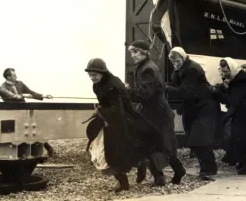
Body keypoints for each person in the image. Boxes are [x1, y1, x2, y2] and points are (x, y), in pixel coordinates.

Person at [84, 58, 166, 192]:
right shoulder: (97, 85)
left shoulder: (113, 85)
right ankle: (125, 181)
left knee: (118, 151)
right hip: (111, 119)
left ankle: (145, 171)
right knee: (109, 152)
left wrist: (100, 110)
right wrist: (101, 110)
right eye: (90, 75)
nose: (92, 77)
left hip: (123, 119)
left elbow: (117, 108)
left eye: (95, 74)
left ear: (103, 73)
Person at [126, 40, 186, 187]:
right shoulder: (143, 67)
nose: (132, 55)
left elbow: (143, 94)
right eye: (131, 52)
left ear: (144, 52)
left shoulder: (148, 69)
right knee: (149, 145)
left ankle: (178, 171)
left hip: (159, 115)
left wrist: (126, 90)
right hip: (151, 113)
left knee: (165, 147)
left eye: (135, 51)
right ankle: (159, 178)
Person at [165, 47, 219, 180]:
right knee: (193, 139)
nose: (175, 64)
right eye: (173, 62)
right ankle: (207, 167)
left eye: (177, 61)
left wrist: (166, 87)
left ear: (183, 57)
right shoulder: (181, 67)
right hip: (192, 107)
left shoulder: (191, 69)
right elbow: (178, 86)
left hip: (203, 107)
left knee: (197, 140)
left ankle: (209, 168)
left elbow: (185, 91)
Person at [1, 68, 54, 157]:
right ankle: (21, 153)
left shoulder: (20, 83)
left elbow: (30, 92)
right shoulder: (3, 87)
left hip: (24, 112)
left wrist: (43, 96)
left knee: (33, 131)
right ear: (8, 77)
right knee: (19, 134)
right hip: (12, 113)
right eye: (14, 75)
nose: (16, 76)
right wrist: (22, 95)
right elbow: (8, 98)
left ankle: (48, 148)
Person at [211, 58, 246, 174]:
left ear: (232, 68)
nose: (224, 74)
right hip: (240, 112)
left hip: (242, 112)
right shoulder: (236, 78)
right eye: (223, 71)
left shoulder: (241, 80)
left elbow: (232, 100)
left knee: (240, 137)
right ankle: (241, 163)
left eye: (226, 71)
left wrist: (217, 93)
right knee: (238, 137)